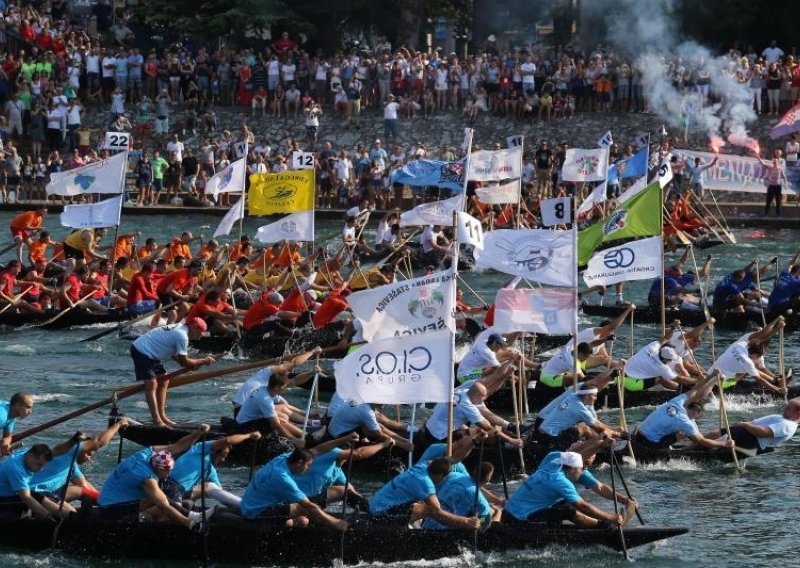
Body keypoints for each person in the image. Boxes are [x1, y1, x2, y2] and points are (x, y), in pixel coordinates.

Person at [98, 425, 212, 529]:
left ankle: (192, 515)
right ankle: (192, 518)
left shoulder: (148, 454)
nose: (168, 474)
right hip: (111, 509)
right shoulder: (148, 479)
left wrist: (197, 433)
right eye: (167, 471)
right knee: (161, 501)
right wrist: (190, 524)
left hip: (110, 498)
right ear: (158, 468)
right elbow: (164, 506)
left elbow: (178, 446)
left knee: (162, 495)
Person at [502, 451, 631, 528]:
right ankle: (603, 526)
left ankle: (597, 523)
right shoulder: (560, 480)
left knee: (567, 502)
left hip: (507, 513)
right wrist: (609, 517)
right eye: (581, 470)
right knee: (568, 509)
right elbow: (583, 507)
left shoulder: (552, 461)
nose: (582, 473)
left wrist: (625, 500)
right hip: (520, 521)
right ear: (573, 469)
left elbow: (599, 488)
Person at [130, 317, 216, 426]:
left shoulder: (181, 330)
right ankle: (157, 420)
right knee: (152, 383)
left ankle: (163, 416)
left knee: (164, 380)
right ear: (193, 328)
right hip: (141, 350)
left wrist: (192, 364)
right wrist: (203, 360)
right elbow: (185, 361)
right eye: (200, 332)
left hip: (151, 353)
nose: (200, 336)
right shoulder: (182, 336)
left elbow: (175, 355)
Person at [239, 448, 347, 530]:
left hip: (249, 505)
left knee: (303, 518)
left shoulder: (282, 458)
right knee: (302, 509)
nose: (309, 469)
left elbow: (316, 449)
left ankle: (293, 522)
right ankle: (328, 528)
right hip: (256, 514)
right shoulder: (282, 478)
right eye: (308, 465)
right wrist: (334, 522)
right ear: (299, 462)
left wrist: (344, 439)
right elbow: (309, 506)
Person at [30, 419, 130, 508]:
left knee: (80, 490)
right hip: (35, 494)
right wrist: (119, 424)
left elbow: (83, 484)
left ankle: (113, 506)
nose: (89, 458)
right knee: (74, 501)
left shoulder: (72, 464)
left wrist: (109, 501)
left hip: (48, 494)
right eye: (88, 453)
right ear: (82, 448)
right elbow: (98, 442)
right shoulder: (70, 451)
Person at [632, 372, 735, 452]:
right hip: (648, 443)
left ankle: (670, 445)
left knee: (681, 430)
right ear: (697, 414)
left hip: (638, 433)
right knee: (683, 434)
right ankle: (681, 451)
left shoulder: (677, 402)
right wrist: (724, 444)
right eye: (694, 417)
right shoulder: (684, 421)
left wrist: (712, 376)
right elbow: (702, 441)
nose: (693, 419)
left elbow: (695, 389)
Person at [368, 457, 480, 530]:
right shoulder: (425, 482)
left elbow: (443, 459)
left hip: (374, 505)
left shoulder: (422, 466)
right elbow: (437, 511)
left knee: (421, 502)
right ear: (441, 475)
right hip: (380, 515)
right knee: (430, 509)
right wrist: (465, 521)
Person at [166, 431, 262, 512]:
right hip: (168, 484)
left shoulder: (211, 471)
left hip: (181, 492)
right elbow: (228, 440)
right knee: (208, 487)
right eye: (222, 456)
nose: (223, 460)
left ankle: (247, 507)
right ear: (214, 451)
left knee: (211, 487)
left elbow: (220, 493)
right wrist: (249, 435)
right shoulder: (199, 449)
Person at [709, 316, 787, 395]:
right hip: (721, 383)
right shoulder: (749, 349)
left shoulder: (741, 344)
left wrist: (777, 326)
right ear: (756, 355)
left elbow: (763, 339)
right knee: (750, 368)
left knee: (750, 368)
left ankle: (776, 380)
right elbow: (759, 379)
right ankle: (775, 381)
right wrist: (777, 390)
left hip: (711, 374)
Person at [705, 399, 800, 456]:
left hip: (751, 439)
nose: (784, 408)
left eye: (788, 408)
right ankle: (697, 446)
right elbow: (757, 423)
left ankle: (694, 447)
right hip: (747, 433)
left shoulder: (788, 425)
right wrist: (747, 423)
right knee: (712, 435)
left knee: (713, 436)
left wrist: (745, 425)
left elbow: (762, 432)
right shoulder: (782, 418)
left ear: (797, 414)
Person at [536, 387, 623, 449]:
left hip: (542, 433)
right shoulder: (580, 409)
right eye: (594, 396)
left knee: (585, 425)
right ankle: (600, 448)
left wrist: (613, 429)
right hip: (550, 440)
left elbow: (595, 421)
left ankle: (598, 446)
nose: (596, 399)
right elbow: (600, 428)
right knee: (584, 427)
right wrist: (621, 435)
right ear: (587, 396)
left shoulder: (573, 397)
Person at [234, 373, 307, 446]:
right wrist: (291, 438)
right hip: (245, 426)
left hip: (251, 419)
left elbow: (283, 403)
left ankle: (304, 435)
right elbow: (276, 425)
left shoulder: (266, 389)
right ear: (277, 387)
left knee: (281, 419)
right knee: (279, 422)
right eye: (284, 387)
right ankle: (299, 438)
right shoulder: (265, 399)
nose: (285, 389)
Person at [623, 335, 694, 392]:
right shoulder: (662, 368)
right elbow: (678, 378)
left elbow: (666, 337)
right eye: (670, 360)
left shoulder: (651, 347)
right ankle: (682, 390)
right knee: (660, 378)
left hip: (620, 376)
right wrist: (696, 381)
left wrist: (673, 327)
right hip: (631, 384)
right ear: (666, 360)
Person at [755, 148, 788, 217]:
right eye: (773, 162)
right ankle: (766, 214)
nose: (774, 163)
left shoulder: (780, 169)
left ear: (778, 163)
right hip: (771, 186)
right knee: (768, 201)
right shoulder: (770, 167)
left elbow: (784, 177)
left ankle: (778, 215)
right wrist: (758, 158)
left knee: (778, 201)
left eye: (775, 162)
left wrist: (785, 184)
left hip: (778, 186)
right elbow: (763, 164)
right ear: (772, 163)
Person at [768, 248, 800, 315]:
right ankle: (794, 316)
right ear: (798, 272)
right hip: (777, 307)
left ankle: (790, 312)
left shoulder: (784, 273)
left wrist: (798, 253)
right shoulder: (795, 282)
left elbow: (791, 264)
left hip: (770, 303)